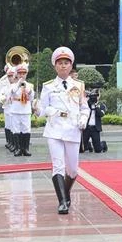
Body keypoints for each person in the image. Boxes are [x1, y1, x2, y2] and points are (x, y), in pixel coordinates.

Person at [37, 47, 90, 214]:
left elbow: (85, 108)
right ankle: (62, 202)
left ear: (71, 65)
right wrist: (45, 110)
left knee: (73, 169)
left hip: (73, 129)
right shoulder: (48, 86)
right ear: (55, 66)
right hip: (55, 128)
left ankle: (65, 193)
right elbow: (41, 109)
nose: (63, 66)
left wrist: (83, 119)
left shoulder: (79, 85)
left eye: (66, 63)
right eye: (60, 63)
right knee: (58, 166)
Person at [9, 64, 35, 156]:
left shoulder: (30, 85)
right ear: (17, 74)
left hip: (26, 110)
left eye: (23, 73)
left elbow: (32, 97)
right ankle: (18, 149)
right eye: (20, 73)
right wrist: (18, 84)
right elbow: (11, 93)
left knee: (26, 129)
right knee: (16, 129)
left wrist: (26, 88)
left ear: (26, 74)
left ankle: (26, 149)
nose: (21, 75)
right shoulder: (13, 85)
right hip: (16, 109)